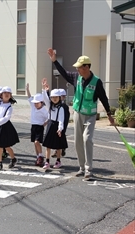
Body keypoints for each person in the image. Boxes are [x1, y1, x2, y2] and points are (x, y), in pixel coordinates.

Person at [47, 48, 115, 178]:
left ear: (87, 67)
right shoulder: (76, 77)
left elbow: (103, 98)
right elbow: (64, 73)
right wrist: (55, 61)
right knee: (78, 141)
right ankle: (82, 168)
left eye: (79, 67)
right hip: (78, 113)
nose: (77, 69)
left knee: (87, 139)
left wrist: (109, 114)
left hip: (90, 115)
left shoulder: (96, 82)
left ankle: (89, 169)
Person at [42, 78, 68, 169]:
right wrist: (44, 89)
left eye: (56, 97)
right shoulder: (50, 105)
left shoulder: (61, 108)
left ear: (59, 98)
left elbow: (61, 119)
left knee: (58, 146)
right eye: (52, 97)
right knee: (48, 145)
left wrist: (60, 129)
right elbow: (45, 99)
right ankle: (47, 162)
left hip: (57, 126)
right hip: (50, 125)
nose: (54, 99)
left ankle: (58, 161)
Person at [26, 83, 48, 167]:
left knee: (37, 142)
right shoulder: (33, 106)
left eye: (37, 103)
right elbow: (29, 97)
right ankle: (38, 157)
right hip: (33, 126)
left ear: (42, 102)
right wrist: (27, 89)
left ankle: (41, 156)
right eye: (35, 103)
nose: (35, 104)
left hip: (39, 127)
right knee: (34, 143)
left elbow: (49, 118)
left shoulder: (44, 110)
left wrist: (44, 124)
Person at [51, 88, 70, 158]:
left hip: (62, 123)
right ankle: (59, 150)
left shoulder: (64, 106)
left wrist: (62, 126)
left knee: (61, 137)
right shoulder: (55, 105)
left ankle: (61, 149)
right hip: (56, 123)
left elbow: (66, 117)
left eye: (63, 96)